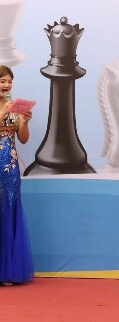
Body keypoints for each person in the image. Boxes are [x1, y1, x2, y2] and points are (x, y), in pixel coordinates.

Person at [0, 66, 34, 286]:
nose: (7, 85)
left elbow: (23, 139)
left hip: (9, 168)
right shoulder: (7, 107)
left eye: (9, 81)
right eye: (2, 81)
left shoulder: (15, 107)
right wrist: (4, 111)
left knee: (9, 210)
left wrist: (24, 121)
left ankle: (8, 270)